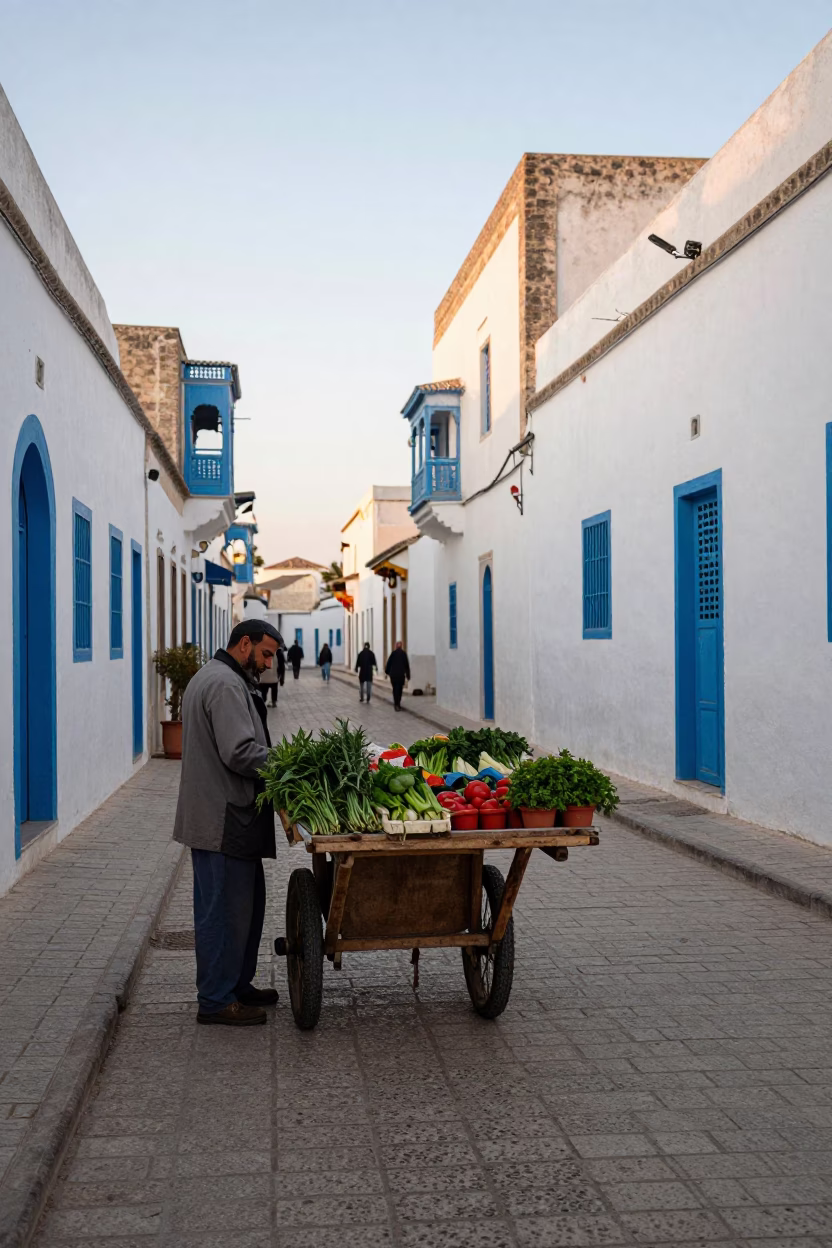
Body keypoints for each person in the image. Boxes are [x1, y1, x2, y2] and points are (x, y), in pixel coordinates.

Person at [174, 619, 283, 1026]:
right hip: (221, 818)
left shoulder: (224, 677)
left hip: (231, 814)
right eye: (266, 653)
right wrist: (286, 765)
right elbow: (239, 751)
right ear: (244, 645)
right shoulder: (224, 684)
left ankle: (237, 984)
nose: (269, 663)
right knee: (222, 912)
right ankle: (216, 999)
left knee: (245, 909)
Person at [385, 641, 411, 711]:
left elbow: (388, 663)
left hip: (393, 675)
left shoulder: (393, 654)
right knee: (399, 690)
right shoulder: (403, 654)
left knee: (395, 689)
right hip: (400, 675)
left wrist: (387, 672)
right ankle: (398, 703)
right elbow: (406, 665)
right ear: (401, 646)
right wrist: (408, 675)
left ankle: (396, 703)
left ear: (396, 646)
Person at [259, 640, 284, 707]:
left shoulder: (260, 650)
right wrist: (282, 678)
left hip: (263, 678)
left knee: (263, 692)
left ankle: (263, 702)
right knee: (274, 690)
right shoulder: (278, 652)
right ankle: (273, 702)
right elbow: (282, 666)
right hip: (274, 677)